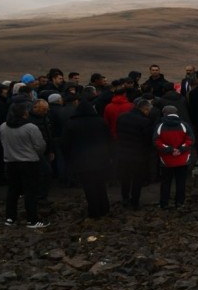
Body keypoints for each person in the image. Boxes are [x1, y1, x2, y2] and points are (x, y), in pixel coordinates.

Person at [62, 87, 112, 219]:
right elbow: (109, 139)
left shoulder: (71, 123)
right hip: (101, 159)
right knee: (101, 185)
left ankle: (94, 211)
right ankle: (105, 208)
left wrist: (70, 158)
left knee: (89, 188)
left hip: (82, 161)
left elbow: (66, 144)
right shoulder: (100, 122)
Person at [0, 101, 47, 227]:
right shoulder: (30, 127)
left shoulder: (3, 126)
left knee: (12, 191)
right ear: (24, 114)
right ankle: (32, 219)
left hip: (10, 163)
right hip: (29, 163)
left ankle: (10, 218)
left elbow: (3, 142)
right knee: (30, 192)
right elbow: (40, 146)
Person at [114, 98, 153, 209]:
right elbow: (147, 140)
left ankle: (125, 198)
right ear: (145, 109)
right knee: (137, 179)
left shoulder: (122, 117)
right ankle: (135, 201)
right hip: (138, 155)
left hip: (122, 153)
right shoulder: (145, 122)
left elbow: (118, 132)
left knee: (125, 178)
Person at [154, 106, 195, 209]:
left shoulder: (160, 126)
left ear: (164, 113)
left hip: (166, 160)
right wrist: (181, 149)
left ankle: (164, 203)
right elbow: (190, 140)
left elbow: (156, 141)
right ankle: (180, 202)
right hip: (182, 159)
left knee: (165, 182)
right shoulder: (184, 125)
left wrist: (169, 150)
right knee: (180, 181)